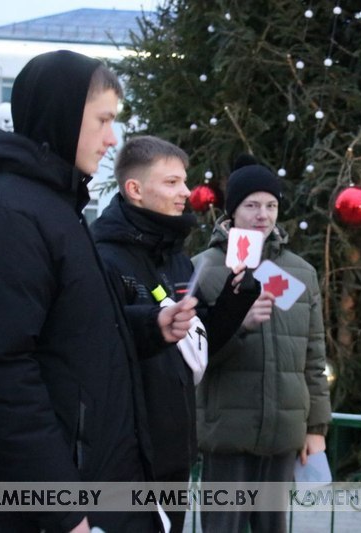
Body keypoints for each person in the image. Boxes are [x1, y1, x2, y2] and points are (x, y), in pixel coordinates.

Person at [0, 50, 196, 532]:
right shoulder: (6, 215)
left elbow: (72, 333)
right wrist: (62, 510)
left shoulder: (55, 207)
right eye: (103, 120)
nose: (113, 139)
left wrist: (149, 326)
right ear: (64, 113)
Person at [90, 135, 258, 532]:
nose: (186, 191)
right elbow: (97, 346)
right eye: (171, 182)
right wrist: (150, 324)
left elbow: (196, 346)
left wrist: (237, 300)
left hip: (174, 451)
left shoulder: (176, 258)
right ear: (135, 189)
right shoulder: (104, 257)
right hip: (126, 458)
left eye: (184, 180)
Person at [193, 159, 332, 533]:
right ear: (232, 210)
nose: (263, 215)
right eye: (252, 205)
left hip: (283, 432)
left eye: (270, 205)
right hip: (227, 432)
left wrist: (315, 427)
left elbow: (313, 355)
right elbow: (192, 357)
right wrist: (240, 325)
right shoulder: (204, 269)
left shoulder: (299, 272)